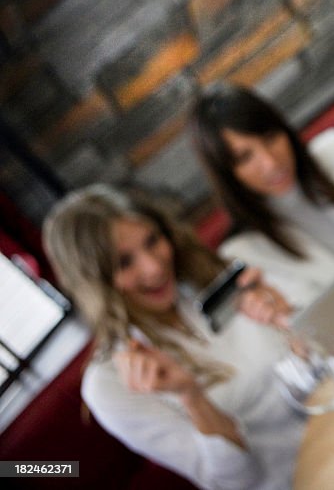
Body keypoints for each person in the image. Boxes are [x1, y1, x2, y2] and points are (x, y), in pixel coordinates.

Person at [42, 185, 299, 490]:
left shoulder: (205, 284)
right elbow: (237, 482)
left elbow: (317, 377)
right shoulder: (109, 385)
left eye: (152, 241)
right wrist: (192, 397)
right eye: (124, 263)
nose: (154, 266)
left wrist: (288, 321)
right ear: (95, 282)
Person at [189, 83, 334, 309]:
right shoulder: (244, 252)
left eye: (270, 139)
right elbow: (316, 323)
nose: (270, 162)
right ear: (227, 175)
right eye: (246, 158)